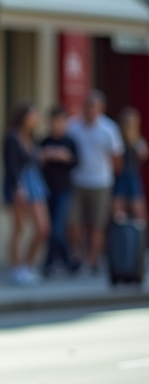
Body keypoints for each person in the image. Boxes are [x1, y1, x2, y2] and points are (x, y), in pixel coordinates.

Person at [67, 90, 123, 274]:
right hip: (77, 182)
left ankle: (92, 260)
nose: (88, 109)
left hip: (100, 183)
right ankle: (79, 256)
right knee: (73, 222)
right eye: (86, 105)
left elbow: (117, 160)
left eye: (93, 106)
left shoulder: (109, 129)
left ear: (100, 108)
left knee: (97, 224)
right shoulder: (73, 126)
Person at [3, 103, 50, 286]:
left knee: (43, 228)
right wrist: (16, 187)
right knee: (19, 228)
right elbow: (10, 164)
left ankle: (28, 265)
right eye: (32, 115)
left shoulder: (33, 138)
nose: (35, 119)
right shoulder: (12, 138)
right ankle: (16, 269)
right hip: (20, 185)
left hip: (36, 184)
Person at [39, 105, 79, 276]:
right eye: (56, 120)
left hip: (64, 190)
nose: (59, 124)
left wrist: (64, 156)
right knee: (50, 228)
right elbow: (35, 163)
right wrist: (46, 155)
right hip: (46, 190)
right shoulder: (44, 141)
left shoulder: (70, 141)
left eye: (63, 121)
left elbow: (76, 162)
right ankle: (54, 264)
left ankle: (66, 262)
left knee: (56, 227)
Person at [113, 107, 148, 220]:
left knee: (138, 210)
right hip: (120, 176)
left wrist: (133, 140)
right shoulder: (116, 138)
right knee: (117, 210)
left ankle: (139, 235)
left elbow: (144, 155)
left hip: (133, 176)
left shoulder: (138, 139)